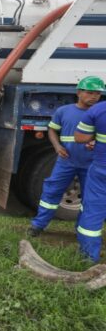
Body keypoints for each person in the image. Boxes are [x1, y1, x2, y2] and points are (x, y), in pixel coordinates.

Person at [28, 77, 103, 237]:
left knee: (89, 199)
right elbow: (52, 130)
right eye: (90, 92)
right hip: (66, 161)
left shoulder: (100, 113)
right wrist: (57, 146)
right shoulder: (64, 111)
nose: (94, 97)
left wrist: (95, 142)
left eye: (97, 93)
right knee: (51, 193)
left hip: (91, 163)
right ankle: (38, 226)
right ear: (78, 93)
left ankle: (82, 230)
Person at [74, 78, 106, 262]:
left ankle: (88, 257)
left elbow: (80, 137)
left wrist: (96, 138)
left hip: (102, 169)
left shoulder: (98, 110)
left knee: (92, 213)